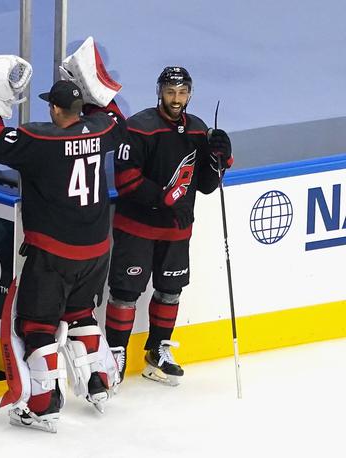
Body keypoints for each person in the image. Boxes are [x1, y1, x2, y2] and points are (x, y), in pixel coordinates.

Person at [0, 48, 129, 432]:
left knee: (37, 324)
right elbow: (113, 117)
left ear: (55, 110)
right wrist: (91, 85)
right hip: (96, 250)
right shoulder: (101, 130)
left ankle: (42, 403)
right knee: (79, 313)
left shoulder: (39, 141)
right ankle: (99, 383)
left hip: (54, 252)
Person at [104, 66, 233, 386]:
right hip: (136, 227)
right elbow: (126, 182)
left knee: (171, 291)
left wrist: (222, 160)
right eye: (170, 92)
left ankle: (158, 349)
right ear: (159, 91)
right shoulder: (139, 128)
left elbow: (205, 185)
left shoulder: (198, 130)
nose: (176, 99)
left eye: (182, 92)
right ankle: (114, 353)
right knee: (125, 292)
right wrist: (165, 199)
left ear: (190, 94)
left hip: (177, 229)